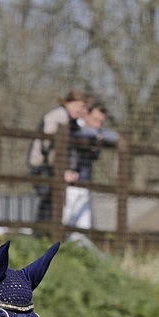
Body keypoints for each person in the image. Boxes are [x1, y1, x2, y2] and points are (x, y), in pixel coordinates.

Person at [28, 89, 88, 223]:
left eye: (82, 107)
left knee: (53, 200)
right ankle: (42, 232)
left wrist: (68, 169)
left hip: (53, 167)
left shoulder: (72, 121)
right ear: (68, 103)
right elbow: (47, 144)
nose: (80, 110)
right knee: (48, 198)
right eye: (78, 106)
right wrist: (61, 170)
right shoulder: (58, 116)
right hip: (43, 165)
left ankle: (45, 232)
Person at [63, 102, 119, 232]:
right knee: (66, 219)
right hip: (70, 181)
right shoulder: (75, 128)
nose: (98, 125)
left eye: (101, 122)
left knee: (83, 225)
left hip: (85, 181)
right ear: (86, 114)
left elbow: (114, 137)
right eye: (95, 120)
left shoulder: (95, 134)